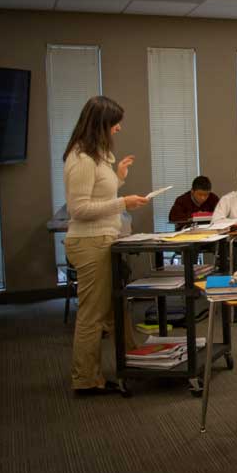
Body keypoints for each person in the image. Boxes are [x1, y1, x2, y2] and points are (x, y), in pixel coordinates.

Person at [63, 95, 150, 396]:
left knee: (116, 308)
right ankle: (86, 379)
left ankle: (135, 361)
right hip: (90, 242)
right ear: (100, 124)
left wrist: (119, 179)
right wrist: (122, 202)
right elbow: (79, 209)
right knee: (93, 315)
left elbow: (98, 196)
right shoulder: (81, 158)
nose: (119, 128)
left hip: (103, 239)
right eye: (115, 123)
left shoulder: (96, 156)